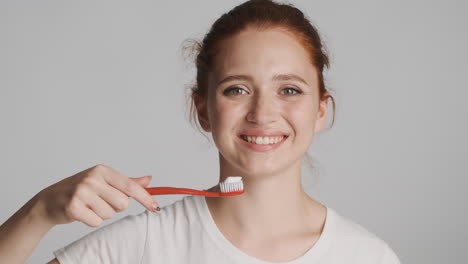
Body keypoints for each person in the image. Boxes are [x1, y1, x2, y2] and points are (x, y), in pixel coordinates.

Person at [0, 0, 402, 263]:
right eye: (237, 90)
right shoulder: (142, 246)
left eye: (289, 90)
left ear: (320, 111)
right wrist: (40, 212)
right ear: (204, 110)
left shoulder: (368, 256)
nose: (263, 113)